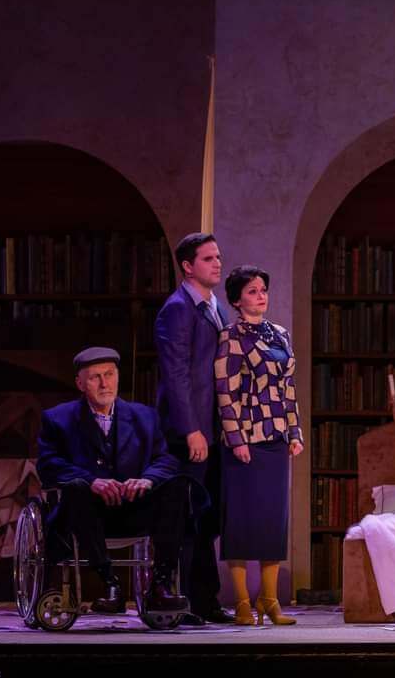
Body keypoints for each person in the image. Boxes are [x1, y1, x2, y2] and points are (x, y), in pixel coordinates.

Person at [36, 347, 189, 615]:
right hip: (86, 514)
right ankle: (109, 584)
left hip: (133, 509)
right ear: (80, 384)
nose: (104, 383)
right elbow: (48, 465)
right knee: (76, 488)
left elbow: (164, 459)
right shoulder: (58, 418)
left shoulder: (145, 416)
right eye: (95, 377)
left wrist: (147, 480)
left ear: (118, 377)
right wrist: (92, 481)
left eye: (109, 374)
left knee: (177, 486)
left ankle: (161, 585)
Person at [215, 265, 304, 626]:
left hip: (275, 437)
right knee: (241, 521)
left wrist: (294, 433)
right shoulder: (231, 336)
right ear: (237, 300)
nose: (260, 296)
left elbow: (288, 388)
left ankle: (269, 600)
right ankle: (241, 602)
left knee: (272, 522)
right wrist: (236, 438)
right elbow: (225, 391)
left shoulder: (279, 334)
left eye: (263, 289)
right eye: (252, 291)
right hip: (246, 439)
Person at [155, 232, 234, 624]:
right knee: (186, 517)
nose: (217, 263)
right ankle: (182, 599)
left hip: (214, 428)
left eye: (218, 257)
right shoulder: (177, 309)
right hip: (190, 431)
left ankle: (206, 599)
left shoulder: (214, 306)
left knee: (208, 519)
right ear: (188, 266)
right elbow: (176, 375)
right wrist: (191, 429)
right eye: (208, 258)